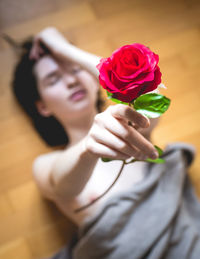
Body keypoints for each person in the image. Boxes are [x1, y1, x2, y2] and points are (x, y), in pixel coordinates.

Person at [11, 27, 200, 259]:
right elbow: (63, 185)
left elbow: (149, 97)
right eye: (54, 80)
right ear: (43, 107)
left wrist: (64, 48)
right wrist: (87, 148)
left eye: (75, 70)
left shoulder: (133, 125)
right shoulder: (47, 165)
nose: (71, 81)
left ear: (94, 79)